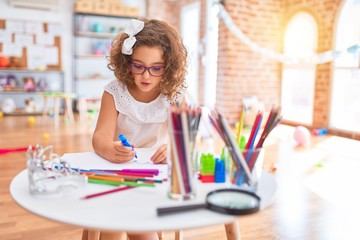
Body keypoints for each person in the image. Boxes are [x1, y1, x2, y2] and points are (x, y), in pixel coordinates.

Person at [91, 18, 188, 240]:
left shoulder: (175, 96)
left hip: (155, 176)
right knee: (112, 225)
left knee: (140, 228)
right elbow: (100, 136)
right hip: (117, 170)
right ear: (126, 63)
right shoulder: (114, 92)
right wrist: (109, 147)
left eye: (156, 68)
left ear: (169, 67)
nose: (146, 75)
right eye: (138, 66)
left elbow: (184, 141)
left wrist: (171, 149)